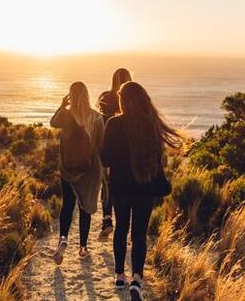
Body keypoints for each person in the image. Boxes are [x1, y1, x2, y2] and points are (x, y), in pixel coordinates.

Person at [101, 81, 183, 301]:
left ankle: (120, 275)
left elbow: (105, 158)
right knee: (139, 234)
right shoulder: (151, 125)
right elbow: (157, 160)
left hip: (119, 187)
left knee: (120, 229)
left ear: (123, 100)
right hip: (145, 188)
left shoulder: (114, 124)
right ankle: (137, 279)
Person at [50, 81, 105, 264]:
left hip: (68, 169)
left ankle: (63, 239)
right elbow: (101, 146)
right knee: (85, 209)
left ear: (71, 96)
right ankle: (82, 248)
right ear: (88, 96)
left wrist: (62, 105)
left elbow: (52, 122)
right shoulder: (97, 118)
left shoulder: (66, 115)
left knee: (67, 205)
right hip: (89, 171)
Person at [97, 68, 133, 240]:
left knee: (107, 185)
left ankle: (107, 220)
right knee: (126, 187)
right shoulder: (134, 100)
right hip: (129, 151)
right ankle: (122, 226)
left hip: (108, 148)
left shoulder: (104, 97)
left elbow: (99, 122)